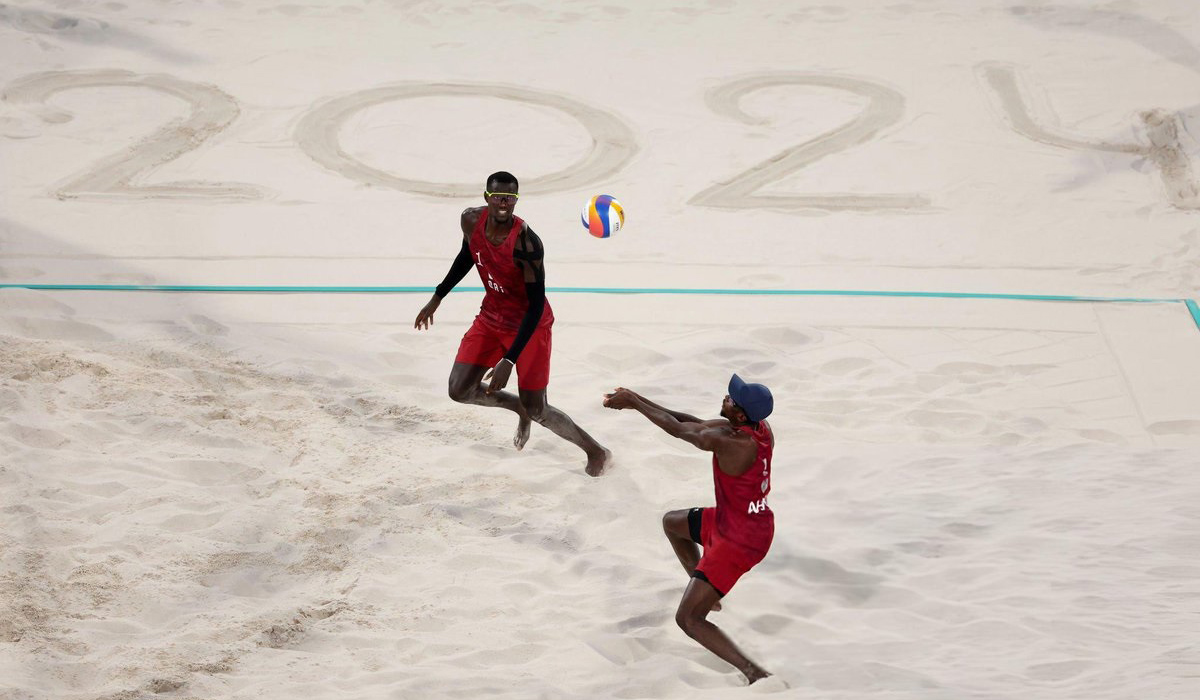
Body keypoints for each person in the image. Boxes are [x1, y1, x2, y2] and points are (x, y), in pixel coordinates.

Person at [414, 171, 610, 476]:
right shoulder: (469, 220)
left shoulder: (528, 244)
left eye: (510, 197)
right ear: (486, 198)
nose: (504, 202)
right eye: (498, 197)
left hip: (529, 326)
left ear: (516, 200)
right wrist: (438, 296)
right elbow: (468, 254)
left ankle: (596, 451)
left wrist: (509, 359)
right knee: (459, 389)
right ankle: (515, 406)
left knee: (538, 409)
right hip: (491, 315)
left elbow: (534, 306)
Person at [602, 374, 775, 684]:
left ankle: (755, 674)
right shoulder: (756, 427)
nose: (726, 397)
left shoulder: (730, 441)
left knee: (688, 619)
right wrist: (636, 398)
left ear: (739, 414)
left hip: (739, 539)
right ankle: (709, 591)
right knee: (672, 523)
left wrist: (635, 403)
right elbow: (688, 421)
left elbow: (680, 431)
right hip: (742, 520)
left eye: (731, 399)